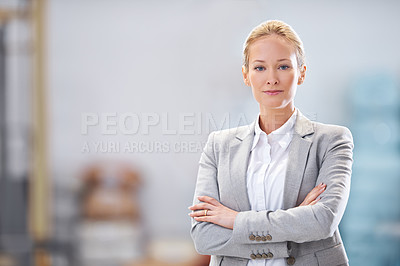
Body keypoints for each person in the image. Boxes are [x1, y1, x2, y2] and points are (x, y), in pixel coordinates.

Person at [189, 20, 353, 266]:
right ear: (246, 75)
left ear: (302, 73)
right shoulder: (218, 146)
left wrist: (234, 220)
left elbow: (322, 221)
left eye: (283, 66)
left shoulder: (331, 141)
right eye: (260, 68)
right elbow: (205, 237)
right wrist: (292, 231)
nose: (272, 79)